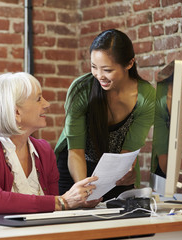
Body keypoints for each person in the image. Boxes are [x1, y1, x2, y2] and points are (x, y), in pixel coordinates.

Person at [0, 72, 100, 214]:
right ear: (16, 112)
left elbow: (53, 209)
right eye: (39, 99)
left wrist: (77, 201)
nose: (47, 104)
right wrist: (62, 202)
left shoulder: (44, 150)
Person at [54, 29, 155, 201]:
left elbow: (129, 150)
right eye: (94, 67)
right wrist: (84, 193)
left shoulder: (145, 97)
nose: (99, 76)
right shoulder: (81, 90)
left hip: (116, 171)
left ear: (129, 64)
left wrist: (124, 174)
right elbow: (76, 151)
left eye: (107, 69)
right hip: (76, 165)